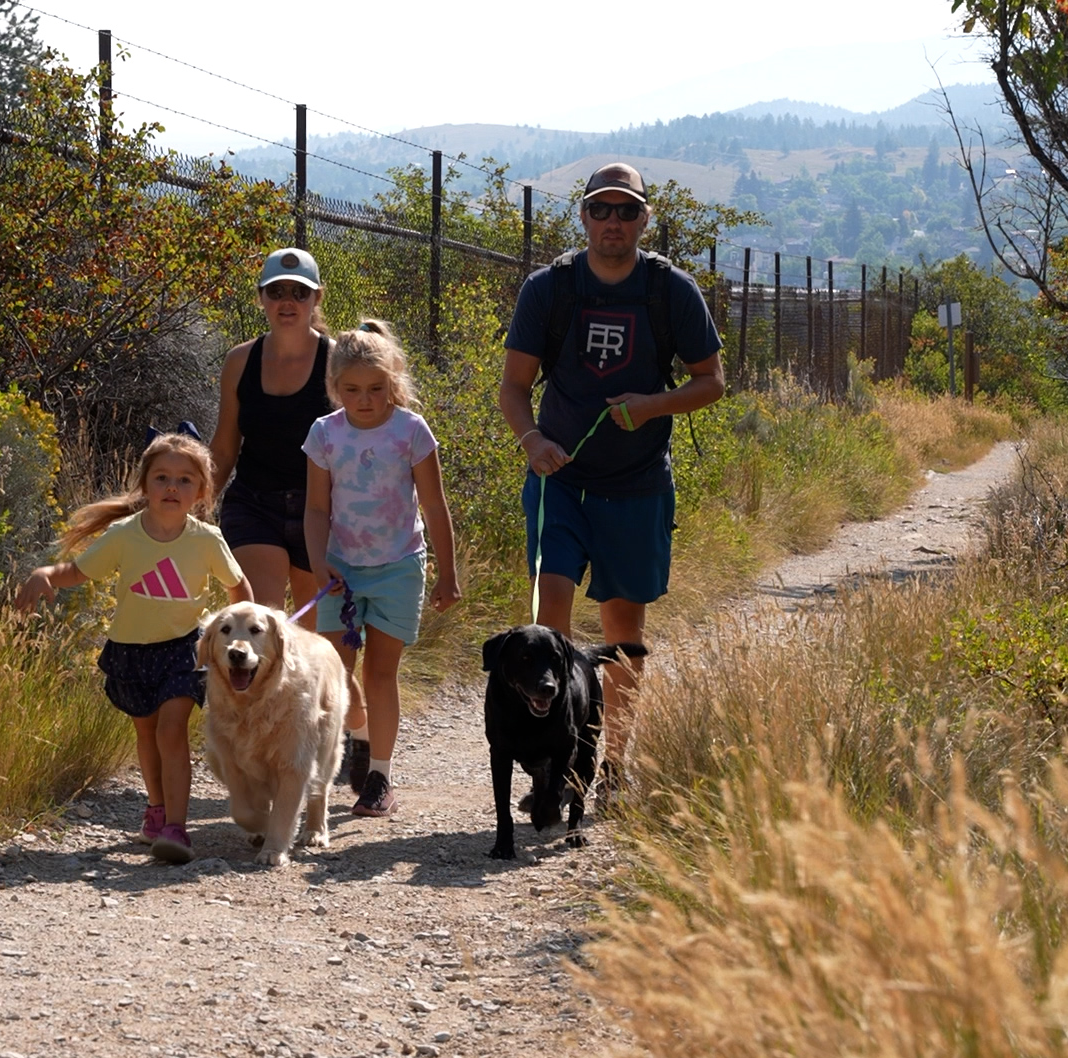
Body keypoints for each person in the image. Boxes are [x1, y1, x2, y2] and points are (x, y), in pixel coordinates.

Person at [497, 162, 725, 784]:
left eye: (627, 210)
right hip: (559, 481)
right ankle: (557, 761)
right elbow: (514, 388)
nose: (614, 221)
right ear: (584, 217)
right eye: (602, 209)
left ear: (645, 218)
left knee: (624, 630)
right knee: (551, 624)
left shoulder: (670, 290)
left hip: (637, 482)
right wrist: (531, 439)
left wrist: (652, 406)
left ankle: (615, 761)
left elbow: (712, 381)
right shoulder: (550, 289)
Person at [16, 432, 252, 864]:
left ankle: (177, 830)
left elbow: (239, 589)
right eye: (162, 477)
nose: (171, 488)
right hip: (130, 652)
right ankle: (156, 808)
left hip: (183, 650)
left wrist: (244, 636)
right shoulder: (125, 535)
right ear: (145, 485)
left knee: (171, 730)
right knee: (146, 732)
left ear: (201, 491)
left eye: (184, 480)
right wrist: (45, 573)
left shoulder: (208, 539)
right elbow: (78, 571)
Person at [304, 320, 460, 817]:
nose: (365, 400)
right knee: (335, 674)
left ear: (392, 381)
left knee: (380, 673)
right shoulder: (325, 434)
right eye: (352, 390)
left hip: (398, 566)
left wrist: (447, 572)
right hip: (340, 569)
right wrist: (317, 564)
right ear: (335, 388)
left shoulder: (411, 430)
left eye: (375, 388)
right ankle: (349, 747)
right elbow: (315, 509)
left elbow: (434, 506)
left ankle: (380, 777)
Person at [209, 247, 331, 614]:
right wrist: (191, 507)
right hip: (254, 504)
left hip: (320, 511)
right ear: (261, 297)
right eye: (276, 292)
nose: (287, 302)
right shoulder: (239, 361)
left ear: (317, 298)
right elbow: (225, 448)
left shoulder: (339, 363)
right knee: (261, 623)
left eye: (300, 292)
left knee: (314, 646)